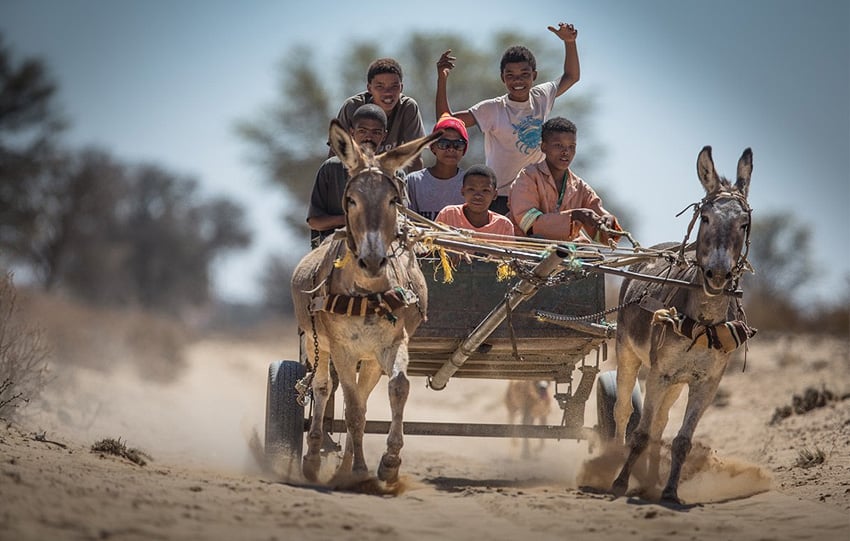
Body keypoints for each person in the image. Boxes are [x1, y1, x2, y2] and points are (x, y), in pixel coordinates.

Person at [435, 22, 581, 214]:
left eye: (524, 74)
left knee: (536, 242)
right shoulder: (493, 109)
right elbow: (446, 123)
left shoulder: (541, 97)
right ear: (503, 78)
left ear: (534, 76)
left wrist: (570, 42)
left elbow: (571, 76)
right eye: (510, 75)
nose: (517, 81)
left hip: (534, 194)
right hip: (501, 196)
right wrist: (442, 79)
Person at [508, 117, 620, 244]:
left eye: (571, 146)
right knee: (538, 244)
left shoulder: (580, 187)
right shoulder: (528, 176)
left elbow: (603, 234)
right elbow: (528, 224)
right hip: (527, 244)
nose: (566, 152)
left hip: (571, 248)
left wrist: (608, 222)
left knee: (594, 256)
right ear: (543, 147)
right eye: (558, 145)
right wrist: (575, 216)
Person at [307, 104, 387, 248]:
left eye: (376, 132)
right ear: (352, 132)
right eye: (362, 131)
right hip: (334, 250)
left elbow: (401, 221)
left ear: (384, 135)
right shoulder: (331, 168)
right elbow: (314, 222)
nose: (369, 137)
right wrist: (350, 220)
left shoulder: (393, 173)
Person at [331, 57, 426, 173]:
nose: (388, 93)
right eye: (380, 87)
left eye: (394, 86)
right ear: (369, 88)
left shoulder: (408, 108)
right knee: (330, 165)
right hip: (355, 173)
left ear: (401, 88)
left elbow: (415, 158)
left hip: (389, 173)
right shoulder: (352, 106)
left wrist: (415, 189)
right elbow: (336, 151)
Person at [406, 113, 469, 220]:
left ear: (464, 150)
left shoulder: (469, 183)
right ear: (433, 147)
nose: (451, 149)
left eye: (458, 144)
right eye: (444, 144)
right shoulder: (414, 181)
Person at [435, 164, 515, 235]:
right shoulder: (449, 215)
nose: (477, 196)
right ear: (462, 191)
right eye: (471, 189)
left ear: (495, 195)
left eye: (485, 190)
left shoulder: (503, 225)